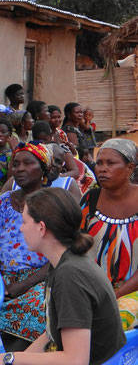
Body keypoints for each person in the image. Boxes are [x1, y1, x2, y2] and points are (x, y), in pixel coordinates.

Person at [0, 188, 126, 365]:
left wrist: (9, 358)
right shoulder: (62, 264)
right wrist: (13, 360)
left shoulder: (70, 275)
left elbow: (76, 360)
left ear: (41, 228)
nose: (21, 228)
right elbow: (50, 332)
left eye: (24, 222)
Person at [0, 142, 51, 345]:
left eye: (28, 163)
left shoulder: (52, 203)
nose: (20, 168)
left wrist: (23, 285)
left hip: (38, 279)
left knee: (37, 306)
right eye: (16, 164)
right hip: (2, 275)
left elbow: (60, 254)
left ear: (43, 169)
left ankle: (15, 357)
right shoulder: (4, 201)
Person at [81, 139, 138, 331]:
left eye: (110, 163)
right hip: (92, 286)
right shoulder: (90, 199)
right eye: (99, 163)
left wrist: (115, 294)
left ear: (130, 168)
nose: (102, 169)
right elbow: (75, 247)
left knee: (116, 319)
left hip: (132, 290)